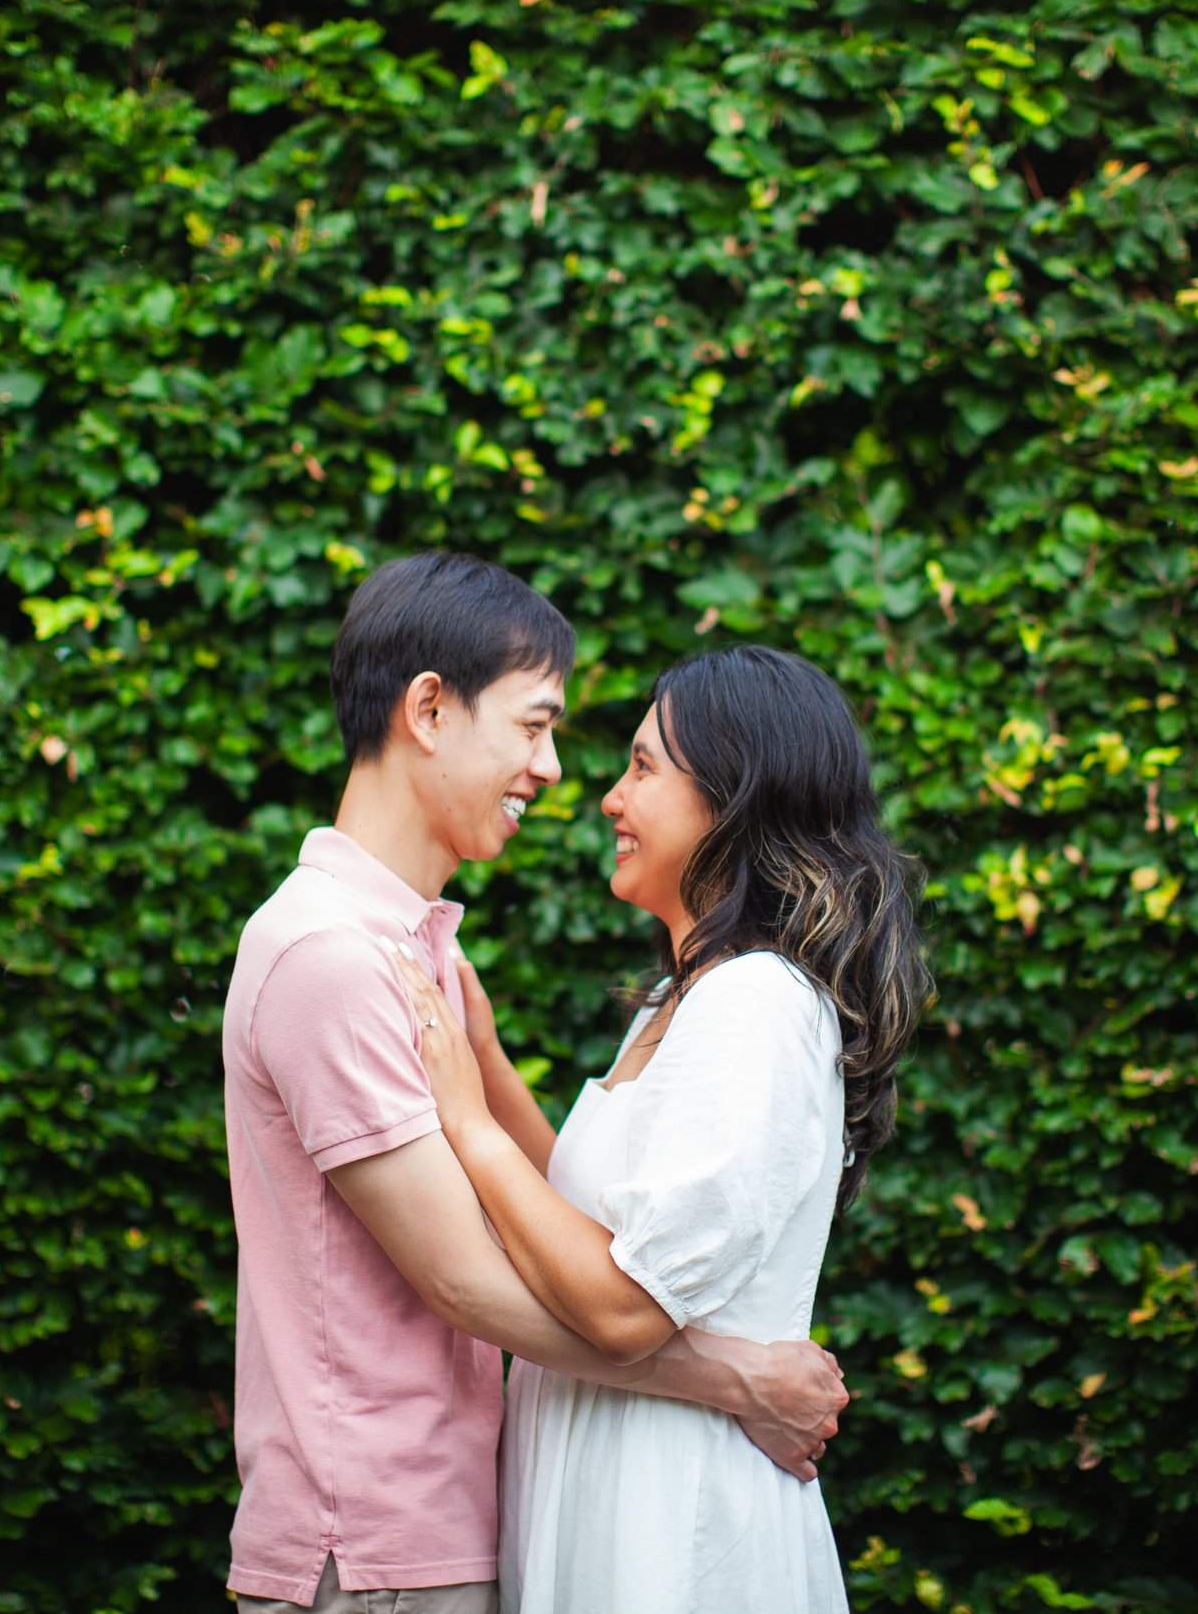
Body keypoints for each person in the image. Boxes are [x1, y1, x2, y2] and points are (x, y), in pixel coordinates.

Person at [221, 558, 850, 1613]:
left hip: (450, 1528)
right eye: (532, 725)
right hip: (375, 1544)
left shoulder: (413, 954)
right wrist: (734, 1376)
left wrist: (487, 1084)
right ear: (429, 708)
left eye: (630, 762)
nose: (562, 771)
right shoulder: (329, 952)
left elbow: (576, 1221)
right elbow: (464, 1278)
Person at [397, 643, 929, 1614]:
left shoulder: (757, 1004)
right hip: (612, 1478)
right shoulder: (686, 997)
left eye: (642, 766)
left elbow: (623, 1304)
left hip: (676, 1521)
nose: (607, 795)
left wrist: (466, 1118)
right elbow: (591, 1218)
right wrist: (487, 1061)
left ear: (734, 797)